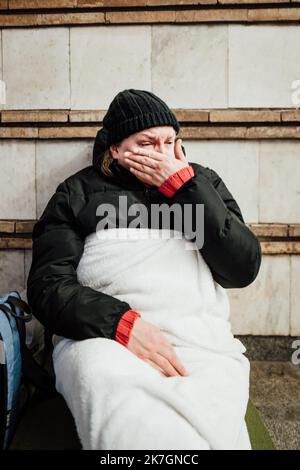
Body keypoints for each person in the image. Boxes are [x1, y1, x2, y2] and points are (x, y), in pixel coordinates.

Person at [26, 89, 262, 450]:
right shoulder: (77, 193)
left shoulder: (204, 183)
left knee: (210, 404)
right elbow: (47, 286)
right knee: (109, 387)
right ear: (115, 149)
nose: (161, 153)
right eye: (147, 143)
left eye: (169, 142)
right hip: (104, 338)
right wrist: (121, 324)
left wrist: (186, 188)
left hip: (196, 337)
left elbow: (242, 268)